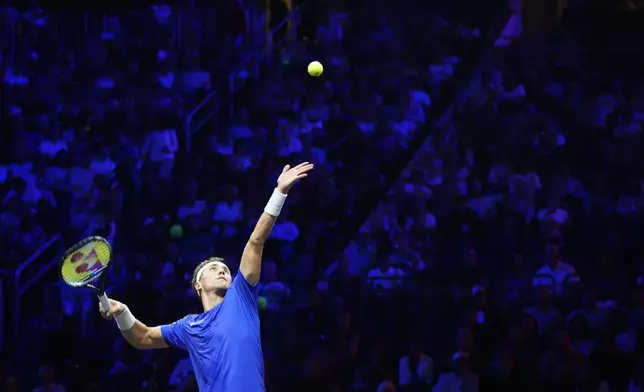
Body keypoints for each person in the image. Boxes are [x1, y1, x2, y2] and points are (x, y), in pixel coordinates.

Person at [99, 162, 315, 392]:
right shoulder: (189, 326)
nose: (222, 270)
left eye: (225, 269)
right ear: (197, 285)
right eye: (213, 268)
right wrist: (123, 313)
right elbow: (143, 338)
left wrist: (279, 192)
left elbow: (255, 241)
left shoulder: (241, 298)